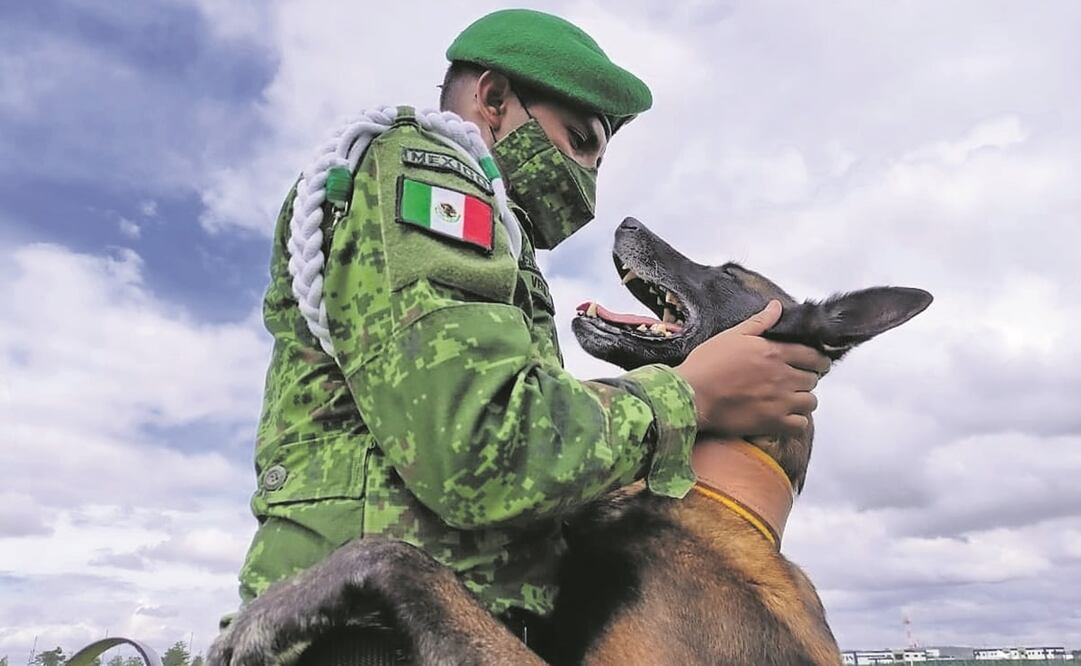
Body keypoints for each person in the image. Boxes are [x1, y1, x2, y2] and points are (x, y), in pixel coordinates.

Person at [231, 7, 829, 659]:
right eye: (579, 140)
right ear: (492, 100)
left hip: (466, 630)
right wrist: (690, 397)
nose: (588, 179)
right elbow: (479, 446)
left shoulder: (504, 241)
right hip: (374, 635)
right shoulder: (424, 172)